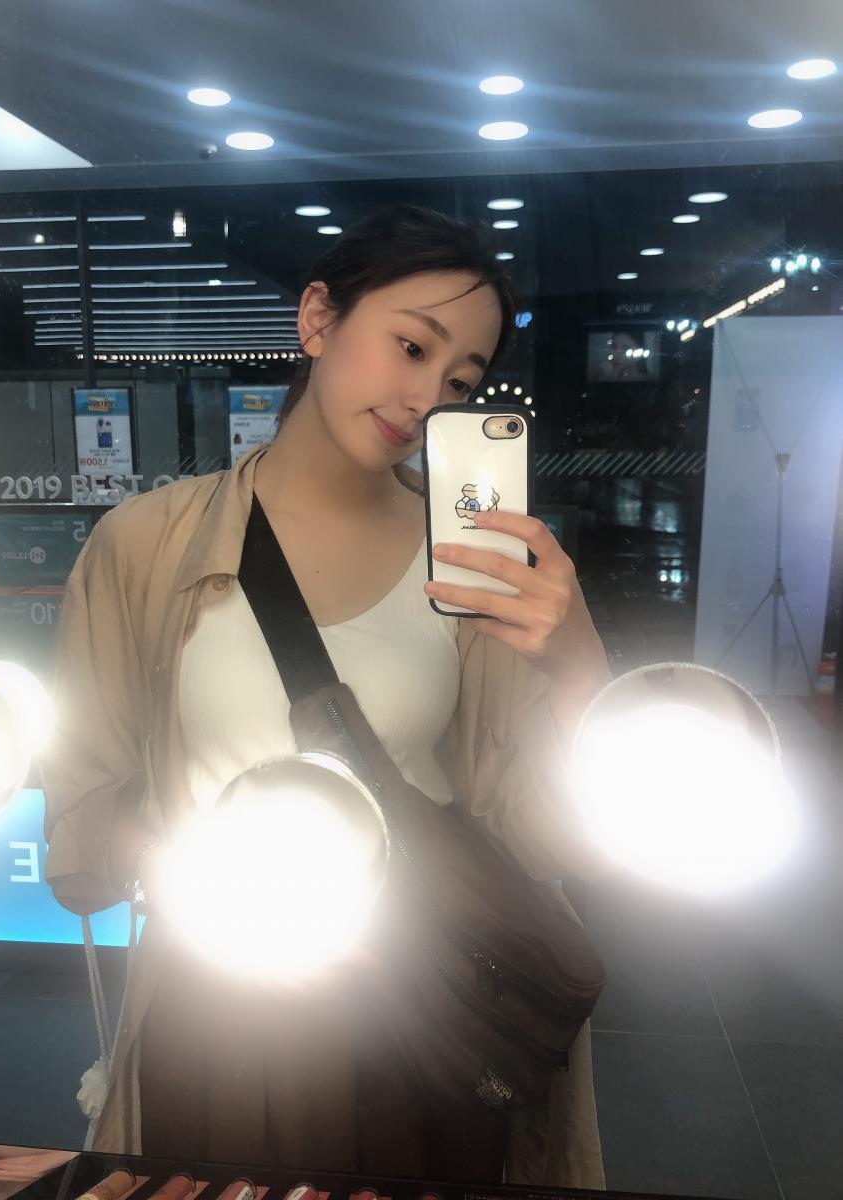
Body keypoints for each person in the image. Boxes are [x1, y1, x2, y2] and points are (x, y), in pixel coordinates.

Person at [41, 205, 615, 1189]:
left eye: (461, 382)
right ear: (317, 319)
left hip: (418, 1012)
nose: (425, 397)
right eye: (411, 346)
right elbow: (80, 820)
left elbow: (542, 840)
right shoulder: (146, 545)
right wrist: (170, 865)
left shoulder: (474, 570)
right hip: (216, 1004)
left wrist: (579, 673)